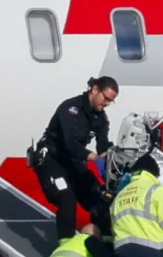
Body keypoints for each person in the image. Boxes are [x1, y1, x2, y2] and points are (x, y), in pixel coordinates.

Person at [30, 77, 118, 241]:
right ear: (95, 90)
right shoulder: (70, 109)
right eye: (105, 98)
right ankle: (65, 246)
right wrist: (92, 157)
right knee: (67, 198)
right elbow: (69, 143)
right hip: (53, 159)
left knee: (100, 199)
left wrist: (108, 157)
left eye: (110, 101)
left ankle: (105, 247)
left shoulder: (101, 118)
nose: (106, 103)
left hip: (74, 162)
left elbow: (102, 144)